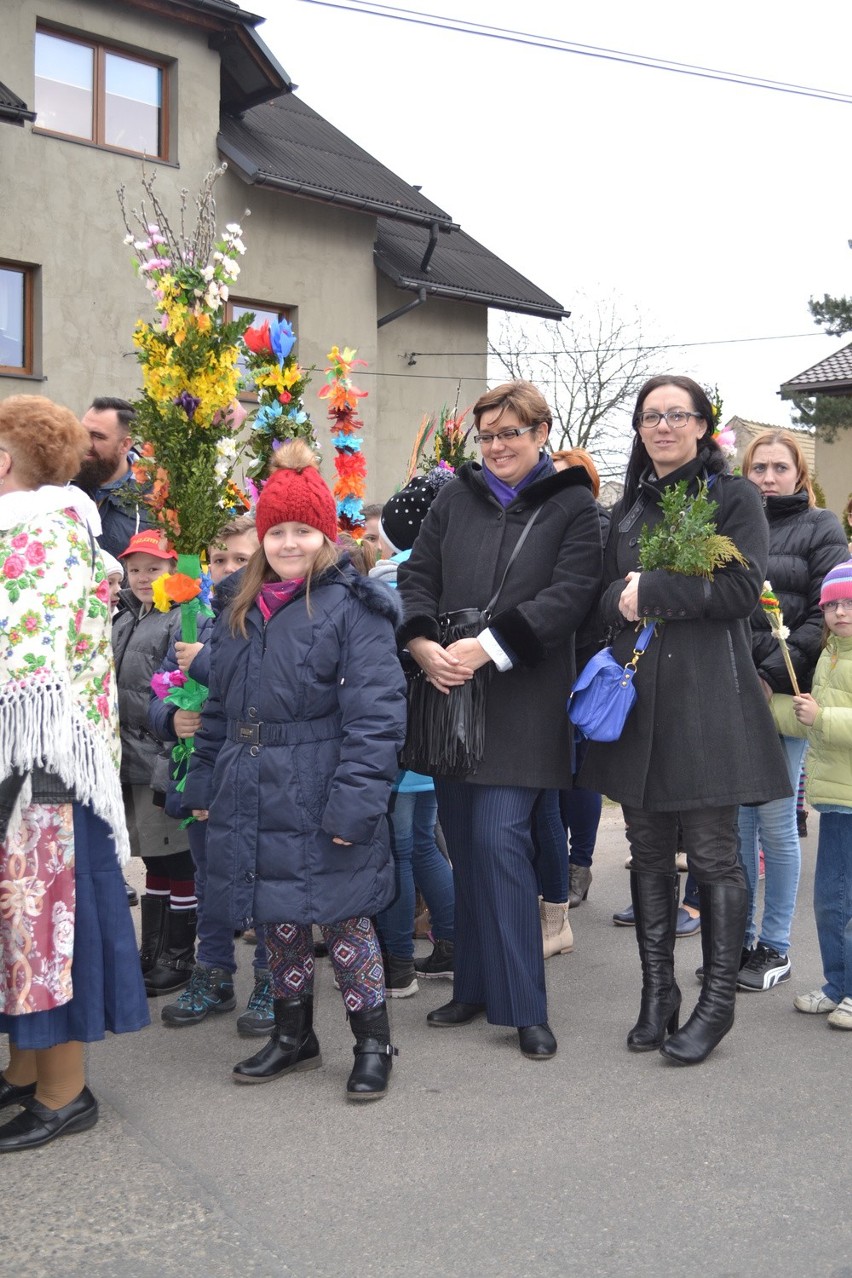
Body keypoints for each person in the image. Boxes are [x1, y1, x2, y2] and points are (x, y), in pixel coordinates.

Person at [182, 442, 407, 1101]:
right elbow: (220, 704)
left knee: (345, 924)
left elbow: (376, 716)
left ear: (325, 536)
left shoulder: (353, 608)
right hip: (250, 788)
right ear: (261, 537)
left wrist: (354, 806)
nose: (287, 542)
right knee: (276, 921)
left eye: (301, 530)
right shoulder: (237, 608)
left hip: (319, 785)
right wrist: (201, 786)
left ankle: (372, 1043)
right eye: (276, 530)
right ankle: (293, 1036)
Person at [580, 375, 790, 1066]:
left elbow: (738, 590)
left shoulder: (735, 499)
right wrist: (623, 595)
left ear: (704, 425)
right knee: (645, 853)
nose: (661, 426)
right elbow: (604, 598)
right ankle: (657, 994)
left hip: (708, 704)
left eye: (676, 415)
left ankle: (717, 1005)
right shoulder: (628, 510)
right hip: (639, 705)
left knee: (712, 855)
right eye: (650, 416)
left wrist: (651, 590)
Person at [398, 380, 601, 1059]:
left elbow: (571, 595)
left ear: (542, 434)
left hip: (525, 702)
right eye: (488, 435)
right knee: (462, 838)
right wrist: (423, 644)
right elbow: (417, 576)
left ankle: (525, 1005)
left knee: (499, 841)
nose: (498, 446)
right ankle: (475, 987)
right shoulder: (455, 497)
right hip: (449, 694)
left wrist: (485, 648)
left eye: (512, 433)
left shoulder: (574, 505)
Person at [0, 395, 148, 1152]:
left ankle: (62, 1092)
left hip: (36, 769)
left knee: (40, 923)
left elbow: (26, 673)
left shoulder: (28, 541)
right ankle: (27, 1071)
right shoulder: (65, 536)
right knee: (25, 925)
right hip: (54, 764)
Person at [151, 516, 274, 1036]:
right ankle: (215, 971)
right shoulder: (192, 621)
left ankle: (275, 976)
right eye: (218, 560)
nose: (226, 570)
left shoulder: (272, 618)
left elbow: (264, 689)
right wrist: (169, 719)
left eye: (239, 560)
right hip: (201, 773)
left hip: (258, 770)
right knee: (210, 874)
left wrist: (206, 663)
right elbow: (157, 693)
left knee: (269, 877)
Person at [735, 429, 848, 991]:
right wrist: (737, 671)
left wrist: (768, 673)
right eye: (758, 468)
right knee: (738, 823)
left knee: (776, 825)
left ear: (799, 475)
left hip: (785, 694)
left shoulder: (822, 527)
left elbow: (824, 616)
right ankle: (738, 938)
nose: (768, 478)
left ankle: (774, 945)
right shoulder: (731, 524)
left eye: (780, 468)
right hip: (732, 690)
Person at [368, 470, 457, 995]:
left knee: (398, 849)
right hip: (434, 730)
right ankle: (450, 942)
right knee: (423, 843)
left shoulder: (389, 581)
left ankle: (398, 960)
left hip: (397, 733)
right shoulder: (450, 572)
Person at [771, 560, 852, 1030]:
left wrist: (818, 716)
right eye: (832, 604)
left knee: (845, 902)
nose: (840, 612)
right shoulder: (829, 654)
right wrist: (772, 706)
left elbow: (822, 719)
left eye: (849, 603)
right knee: (831, 901)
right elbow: (810, 719)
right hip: (837, 800)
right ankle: (837, 985)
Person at [113, 529, 187, 996]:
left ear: (172, 570)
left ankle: (178, 956)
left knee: (177, 858)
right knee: (152, 859)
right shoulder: (124, 617)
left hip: (161, 755)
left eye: (153, 569)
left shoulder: (180, 618)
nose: (143, 578)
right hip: (129, 758)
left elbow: (177, 688)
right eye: (135, 569)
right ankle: (152, 950)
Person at [75, 396, 153, 559]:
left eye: (97, 436)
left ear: (125, 444)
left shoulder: (155, 501)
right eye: (82, 433)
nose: (86, 443)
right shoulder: (57, 486)